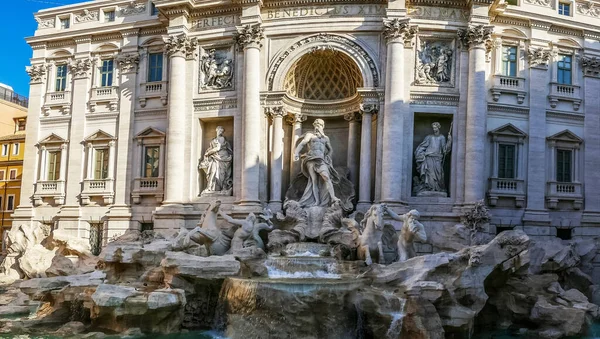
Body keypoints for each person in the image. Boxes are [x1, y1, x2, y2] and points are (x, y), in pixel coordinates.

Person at [293, 118, 341, 207]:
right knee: (313, 180)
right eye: (316, 125)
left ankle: (333, 196)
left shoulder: (326, 138)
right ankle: (317, 201)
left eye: (319, 125)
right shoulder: (310, 135)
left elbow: (330, 150)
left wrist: (328, 158)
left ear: (323, 126)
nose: (317, 127)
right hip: (311, 158)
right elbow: (303, 143)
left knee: (326, 177)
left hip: (321, 159)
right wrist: (296, 153)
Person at [414, 122, 451, 194]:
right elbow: (422, 146)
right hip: (428, 157)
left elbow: (444, 150)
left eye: (435, 128)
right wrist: (419, 153)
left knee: (439, 174)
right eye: (433, 128)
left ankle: (438, 188)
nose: (434, 129)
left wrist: (449, 141)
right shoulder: (429, 137)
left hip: (437, 158)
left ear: (438, 127)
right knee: (429, 173)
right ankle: (429, 187)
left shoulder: (442, 138)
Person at [199, 126, 233, 195]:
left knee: (222, 174)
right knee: (212, 172)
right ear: (216, 130)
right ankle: (209, 187)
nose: (221, 132)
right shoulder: (213, 140)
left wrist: (208, 153)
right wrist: (208, 153)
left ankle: (223, 188)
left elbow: (218, 148)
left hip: (223, 158)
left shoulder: (222, 139)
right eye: (220, 130)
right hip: (214, 158)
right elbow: (212, 148)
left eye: (222, 131)